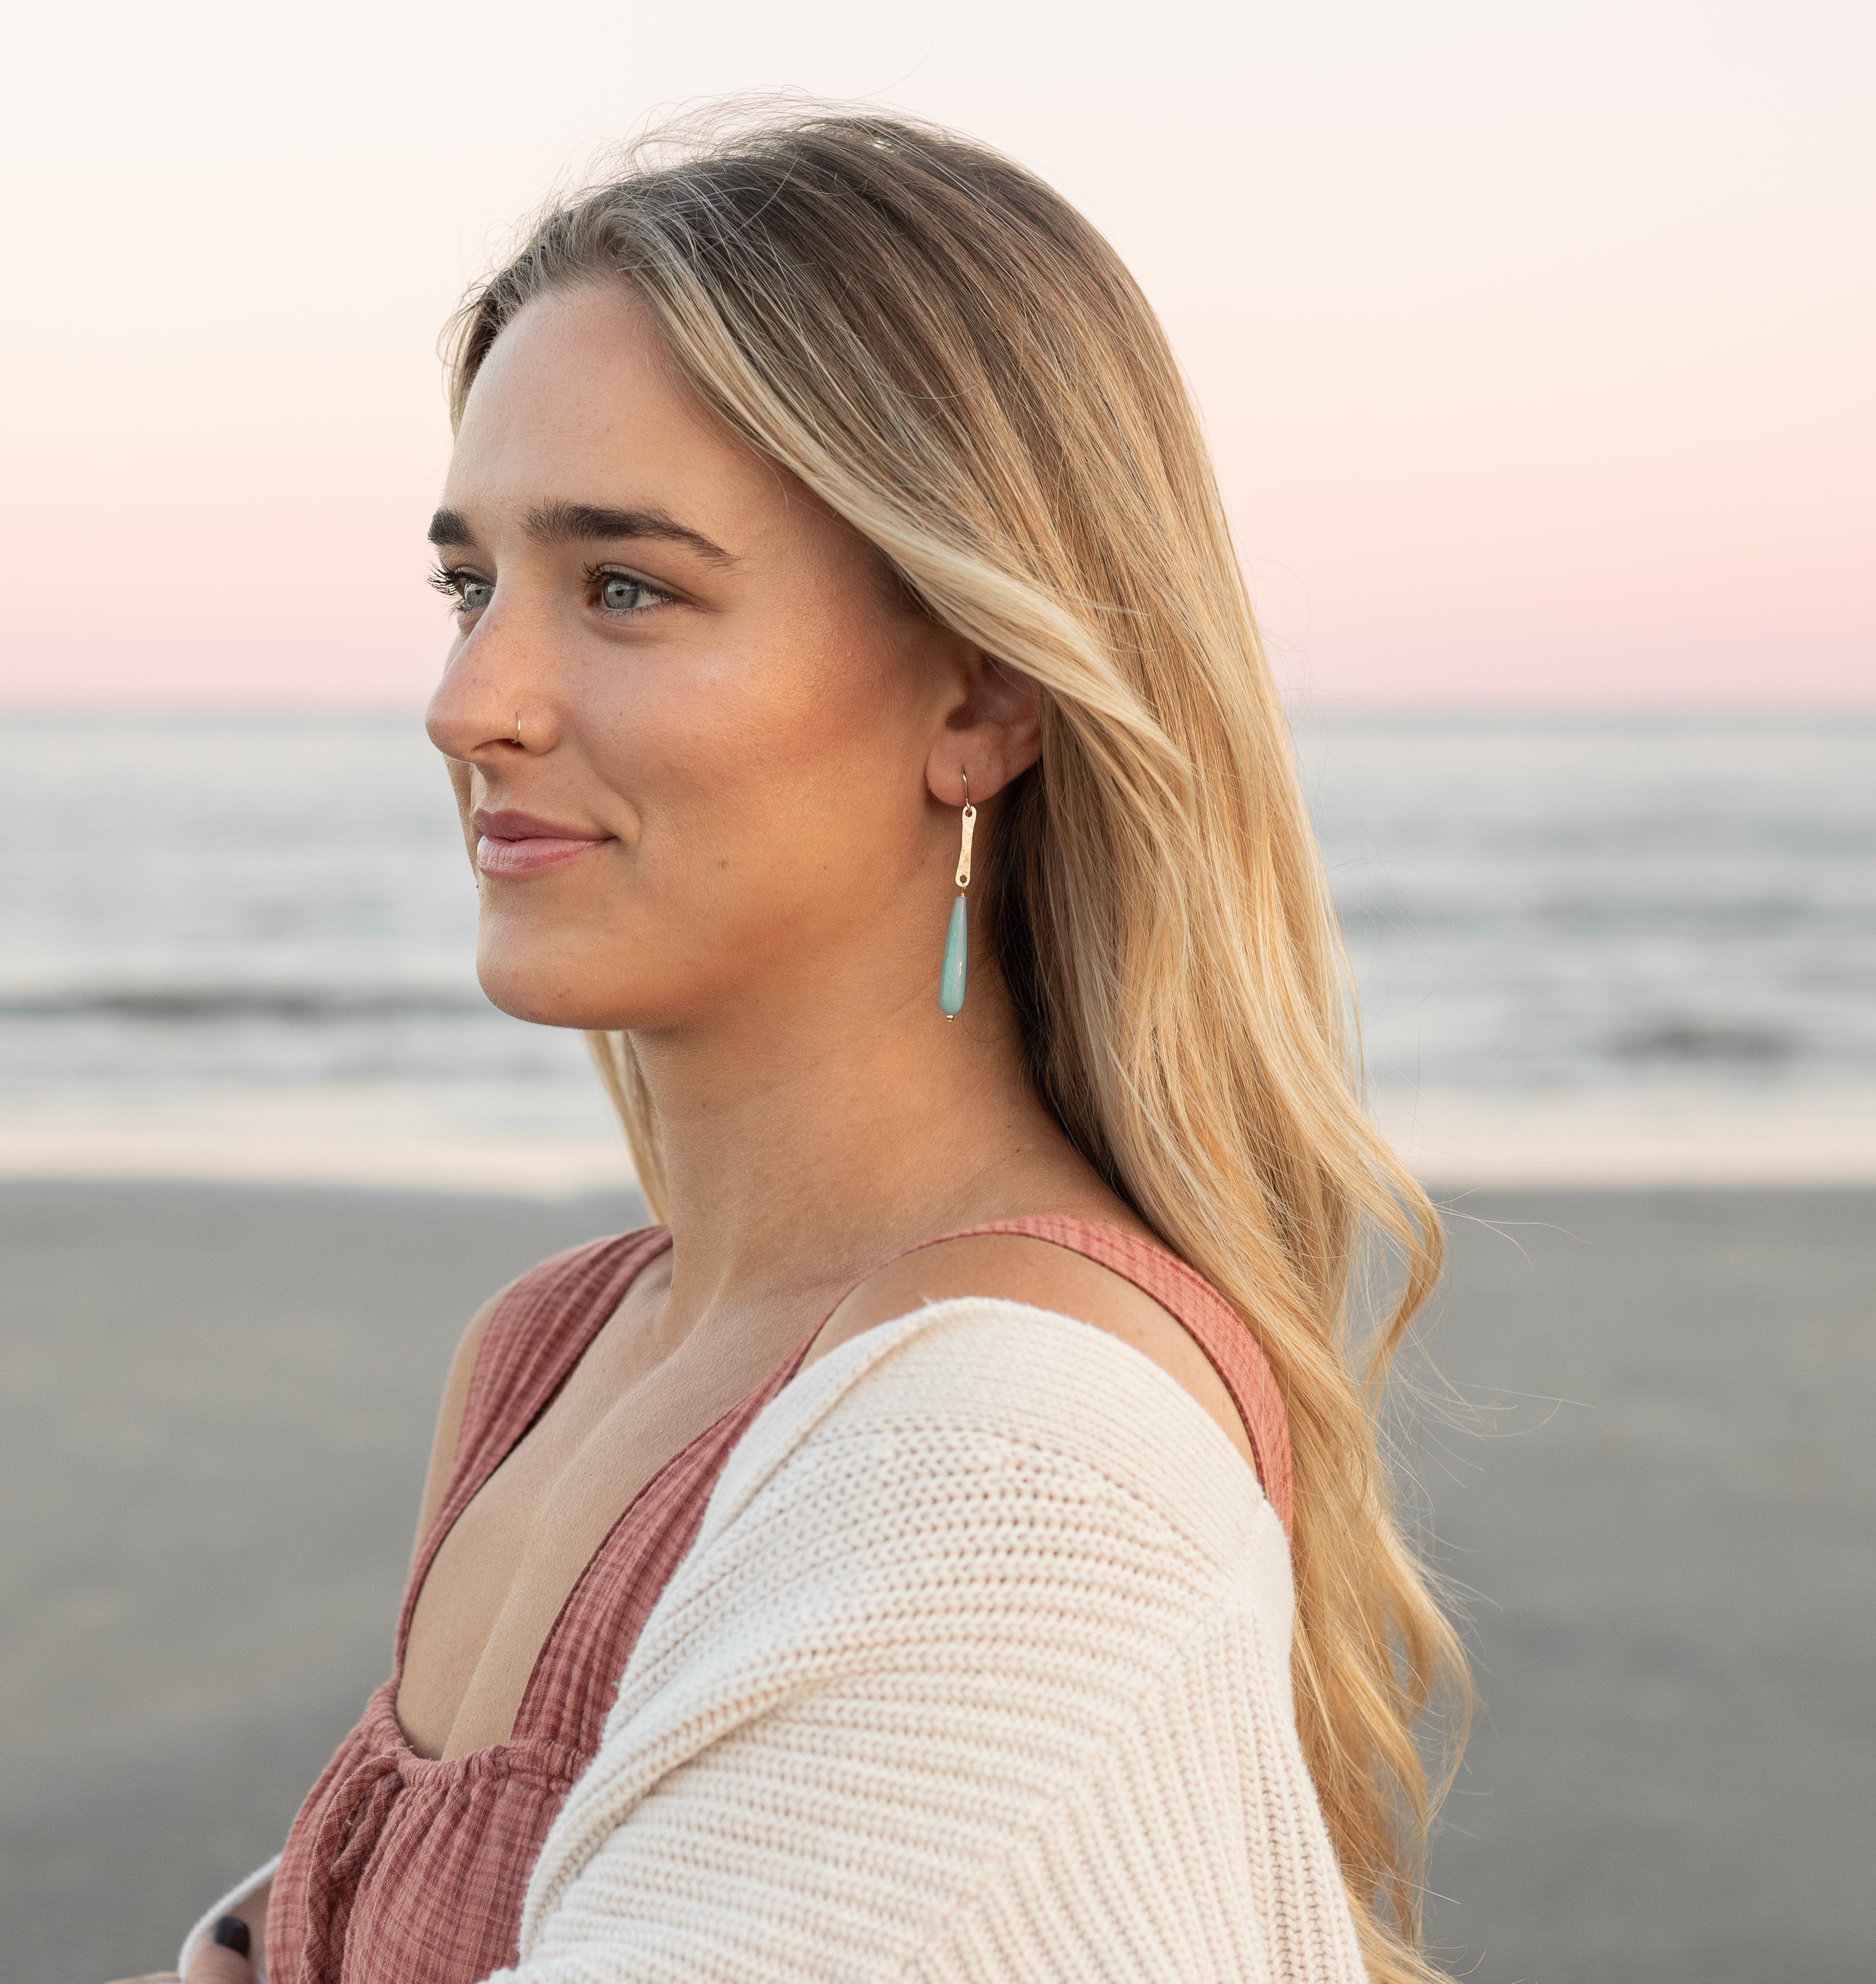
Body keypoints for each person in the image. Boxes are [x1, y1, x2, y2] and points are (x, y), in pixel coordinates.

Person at [135, 106, 1466, 1984]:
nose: (469, 701)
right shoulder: (551, 1350)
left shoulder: (1010, 1459)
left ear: (981, 693)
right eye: (469, 582)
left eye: (624, 586)